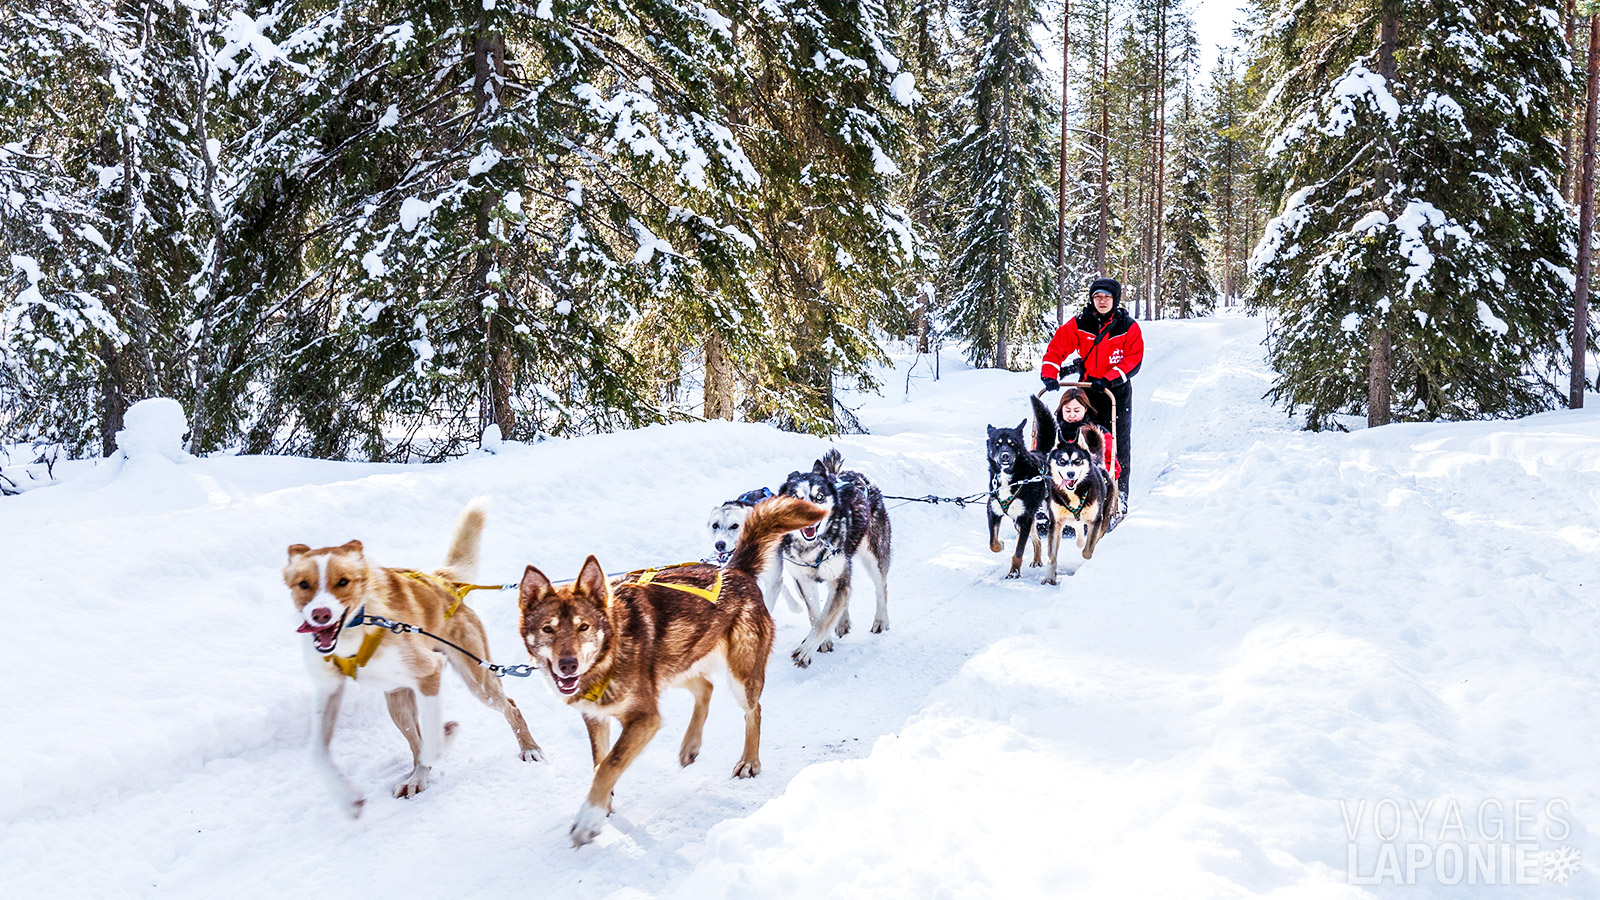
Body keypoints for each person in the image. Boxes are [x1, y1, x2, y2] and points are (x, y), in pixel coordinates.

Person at [1039, 277, 1142, 510]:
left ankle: (1119, 495)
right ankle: (1072, 496)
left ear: (1115, 299)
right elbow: (1057, 348)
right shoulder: (1080, 323)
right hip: (1087, 391)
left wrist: (1109, 378)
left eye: (1107, 297)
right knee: (1078, 441)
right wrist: (1050, 373)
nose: (1102, 301)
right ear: (1091, 299)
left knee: (1116, 445)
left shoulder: (1127, 326)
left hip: (1115, 392)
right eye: (1097, 297)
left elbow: (1133, 359)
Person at [1055, 386, 1119, 482]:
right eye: (1067, 411)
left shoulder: (1099, 434)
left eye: (1076, 411)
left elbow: (1113, 467)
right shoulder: (1053, 433)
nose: (1072, 415)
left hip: (1090, 484)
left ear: (1085, 409)